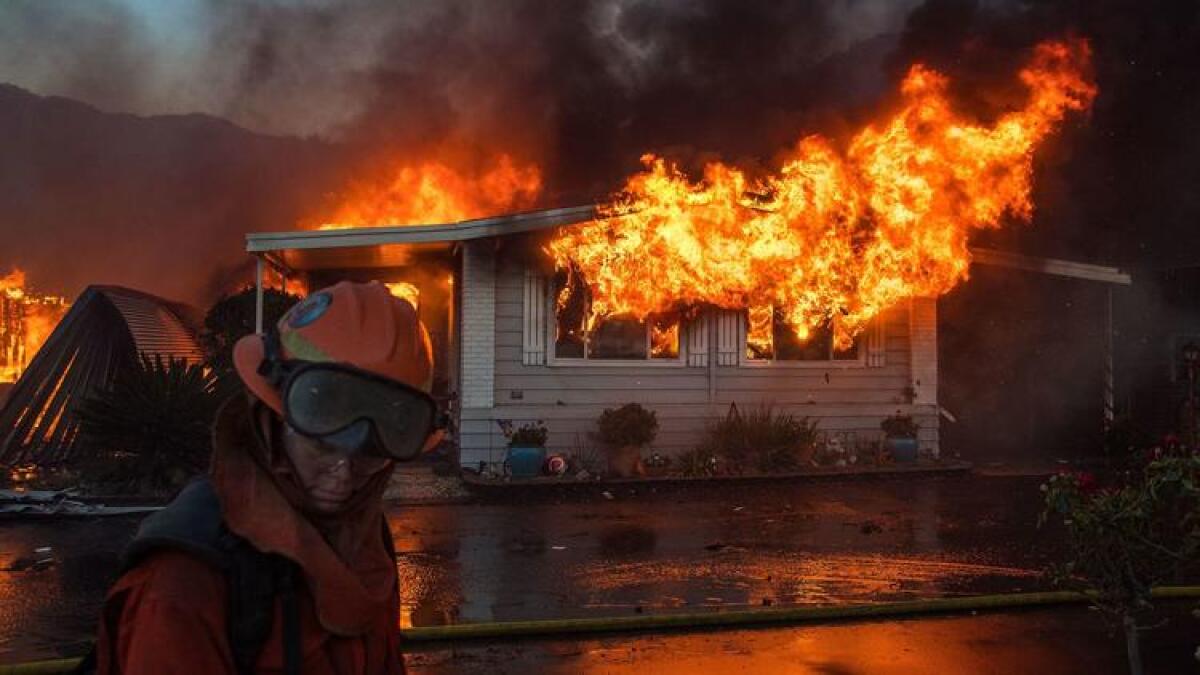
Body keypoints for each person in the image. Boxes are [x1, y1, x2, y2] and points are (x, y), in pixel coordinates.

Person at [90, 281, 440, 674]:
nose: (343, 476)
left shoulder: (365, 543)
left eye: (370, 455)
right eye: (322, 445)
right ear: (271, 421)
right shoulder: (184, 583)